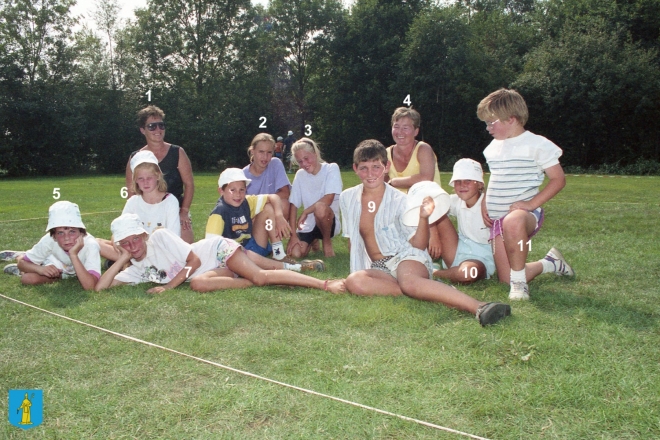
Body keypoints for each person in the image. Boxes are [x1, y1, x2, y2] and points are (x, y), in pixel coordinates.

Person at [340, 140, 511, 326]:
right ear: (355, 168)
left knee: (409, 281)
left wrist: (423, 218)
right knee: (354, 281)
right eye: (363, 168)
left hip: (406, 256)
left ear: (387, 167)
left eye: (376, 167)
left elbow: (418, 245)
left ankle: (480, 306)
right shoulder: (347, 197)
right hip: (380, 266)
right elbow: (353, 240)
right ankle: (432, 290)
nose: (370, 174)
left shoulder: (401, 200)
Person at [477, 88, 574, 300]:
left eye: (491, 122)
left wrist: (530, 205)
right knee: (505, 278)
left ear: (511, 119)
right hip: (497, 220)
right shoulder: (492, 148)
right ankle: (550, 264)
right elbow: (496, 177)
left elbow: (558, 179)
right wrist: (485, 201)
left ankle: (520, 286)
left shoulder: (537, 145)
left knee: (513, 222)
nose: (487, 128)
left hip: (523, 217)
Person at [95, 213, 345, 294]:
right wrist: (123, 260)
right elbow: (100, 289)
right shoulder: (136, 267)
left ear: (143, 235)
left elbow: (193, 259)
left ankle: (325, 284)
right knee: (201, 283)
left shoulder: (159, 237)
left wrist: (169, 286)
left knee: (260, 277)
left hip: (216, 250)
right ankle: (297, 268)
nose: (133, 246)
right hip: (214, 269)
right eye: (125, 244)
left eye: (135, 239)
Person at [206, 168, 317, 266]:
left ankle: (278, 253)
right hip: (234, 254)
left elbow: (273, 197)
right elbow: (211, 246)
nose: (238, 194)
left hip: (251, 245)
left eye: (242, 189)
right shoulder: (219, 213)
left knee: (268, 208)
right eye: (232, 190)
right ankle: (278, 265)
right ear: (221, 191)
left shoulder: (246, 201)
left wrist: (279, 216)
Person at [386, 107, 451, 260]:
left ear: (416, 131)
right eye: (396, 126)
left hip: (432, 209)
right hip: (400, 210)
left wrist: (395, 181)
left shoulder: (423, 149)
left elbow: (426, 178)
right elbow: (382, 186)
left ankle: (432, 234)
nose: (400, 132)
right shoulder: (386, 152)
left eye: (406, 128)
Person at [126, 105, 195, 243]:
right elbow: (131, 191)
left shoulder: (177, 152)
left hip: (175, 210)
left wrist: (184, 211)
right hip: (147, 210)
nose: (158, 130)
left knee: (186, 249)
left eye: (161, 125)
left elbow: (189, 184)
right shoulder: (135, 158)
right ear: (142, 130)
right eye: (152, 126)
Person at [99, 150, 181, 262]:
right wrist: (119, 246)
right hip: (133, 250)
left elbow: (174, 238)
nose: (145, 182)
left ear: (158, 176)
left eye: (149, 178)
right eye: (141, 179)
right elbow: (118, 232)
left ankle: (124, 262)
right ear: (135, 180)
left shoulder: (170, 201)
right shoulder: (133, 201)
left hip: (160, 253)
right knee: (95, 242)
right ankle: (125, 260)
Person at [3, 201, 100, 291]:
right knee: (27, 279)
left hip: (72, 272)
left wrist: (73, 255)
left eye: (72, 231)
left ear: (81, 232)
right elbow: (22, 263)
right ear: (54, 236)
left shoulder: (91, 245)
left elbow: (90, 287)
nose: (67, 238)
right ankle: (21, 258)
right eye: (60, 233)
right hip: (54, 264)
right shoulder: (49, 240)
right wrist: (40, 270)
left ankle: (24, 268)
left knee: (28, 277)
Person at [286, 138, 342, 258]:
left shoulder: (331, 168)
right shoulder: (300, 175)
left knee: (320, 207)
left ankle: (327, 243)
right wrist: (293, 236)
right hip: (309, 223)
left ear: (315, 154)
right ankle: (313, 240)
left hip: (328, 221)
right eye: (300, 161)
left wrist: (306, 211)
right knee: (295, 254)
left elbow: (329, 199)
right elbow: (294, 205)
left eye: (306, 158)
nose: (304, 164)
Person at [242, 133, 291, 220]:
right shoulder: (243, 175)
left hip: (271, 212)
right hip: (253, 218)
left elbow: (285, 193)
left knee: (284, 204)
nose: (265, 157)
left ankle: (281, 233)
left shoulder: (275, 164)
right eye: (261, 152)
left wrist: (263, 204)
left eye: (269, 152)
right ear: (252, 151)